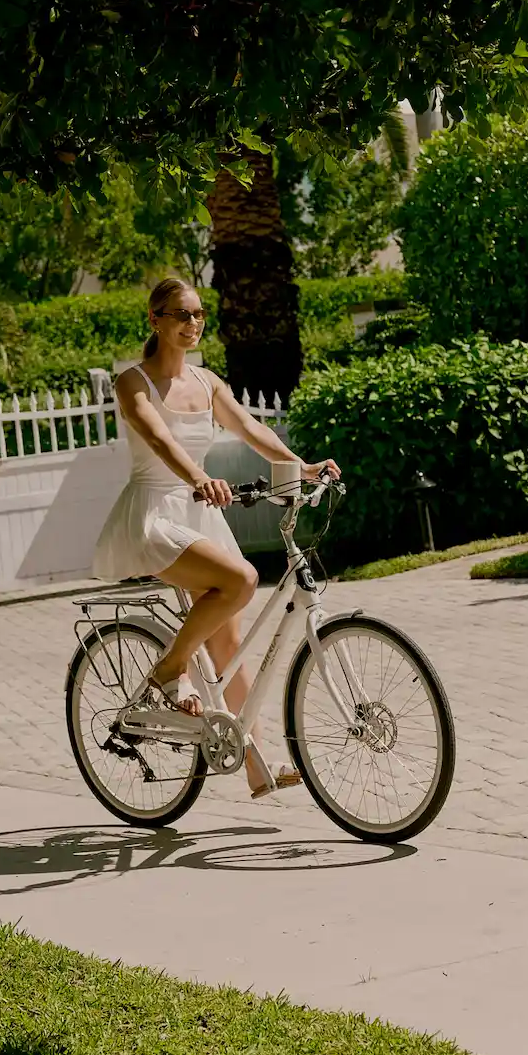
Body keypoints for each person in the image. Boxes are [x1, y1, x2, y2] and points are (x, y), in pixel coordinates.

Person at [92, 275, 341, 799]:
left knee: (230, 643)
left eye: (199, 314)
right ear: (155, 320)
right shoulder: (132, 382)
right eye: (181, 315)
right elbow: (157, 438)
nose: (193, 323)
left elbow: (253, 430)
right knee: (241, 579)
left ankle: (255, 767)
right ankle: (169, 668)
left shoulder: (207, 383)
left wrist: (303, 466)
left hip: (200, 515)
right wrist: (198, 478)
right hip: (154, 514)